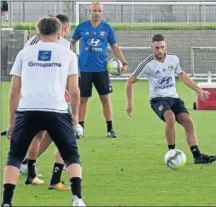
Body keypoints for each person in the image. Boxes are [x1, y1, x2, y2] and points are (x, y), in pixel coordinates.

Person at [1, 17, 86, 207]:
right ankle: (77, 199)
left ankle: (6, 202)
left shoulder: (25, 53)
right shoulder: (68, 54)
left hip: (27, 109)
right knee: (71, 155)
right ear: (59, 33)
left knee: (14, 156)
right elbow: (74, 91)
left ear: (38, 34)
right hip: (56, 110)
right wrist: (75, 119)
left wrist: (11, 122)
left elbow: (14, 90)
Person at [126, 34, 216, 164]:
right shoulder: (147, 64)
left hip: (174, 98)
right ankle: (171, 153)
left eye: (162, 47)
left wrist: (200, 90)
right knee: (170, 117)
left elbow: (182, 76)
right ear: (152, 47)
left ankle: (197, 156)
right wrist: (129, 103)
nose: (160, 51)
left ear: (166, 46)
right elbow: (130, 81)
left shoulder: (173, 59)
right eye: (157, 48)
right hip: (157, 99)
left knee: (188, 121)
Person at [19, 14, 72, 191]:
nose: (65, 32)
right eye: (64, 29)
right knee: (60, 135)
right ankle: (51, 177)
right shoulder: (37, 45)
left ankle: (30, 169)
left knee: (45, 135)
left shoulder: (63, 46)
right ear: (60, 29)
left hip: (47, 97)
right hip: (46, 100)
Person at [70, 2, 128, 138]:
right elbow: (72, 42)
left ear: (102, 12)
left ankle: (110, 129)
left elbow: (115, 47)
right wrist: (71, 55)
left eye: (99, 10)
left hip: (101, 70)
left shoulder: (107, 28)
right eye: (94, 10)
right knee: (83, 100)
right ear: (90, 11)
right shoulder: (82, 27)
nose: (97, 12)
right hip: (84, 70)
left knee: (105, 99)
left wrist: (124, 63)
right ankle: (80, 130)